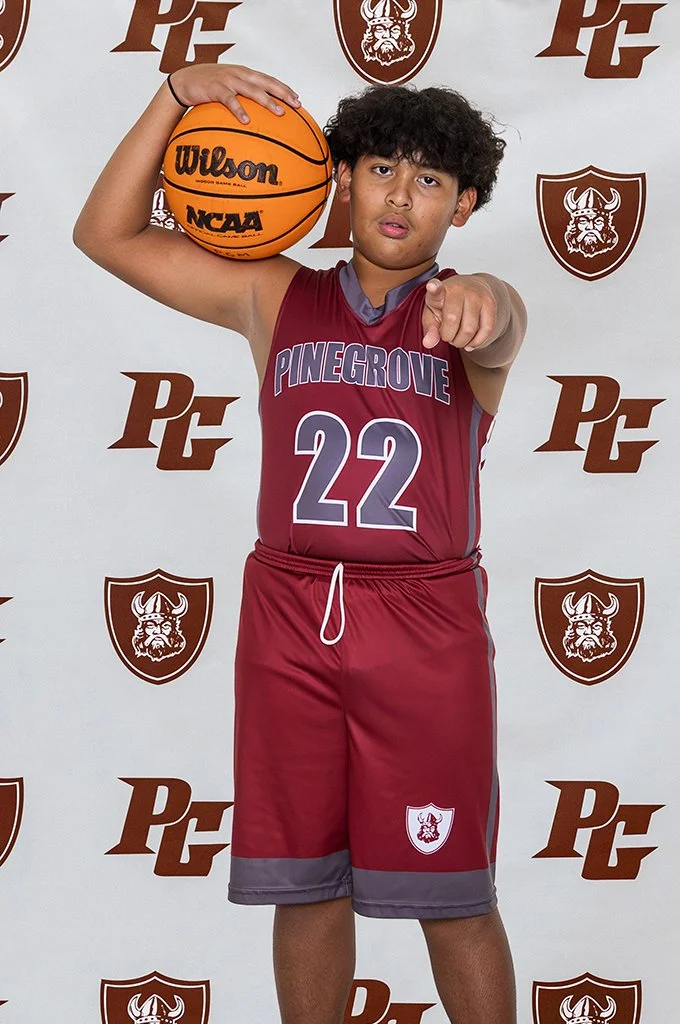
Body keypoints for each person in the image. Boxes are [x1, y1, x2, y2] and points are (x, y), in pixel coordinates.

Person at [74, 63, 527, 1024]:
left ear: (463, 205)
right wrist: (173, 95)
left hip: (424, 622)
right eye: (381, 169)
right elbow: (106, 235)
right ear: (341, 179)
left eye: (430, 179)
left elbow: (499, 326)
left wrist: (488, 301)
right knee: (305, 883)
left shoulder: (467, 311)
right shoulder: (273, 295)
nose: (400, 196)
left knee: (452, 895)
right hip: (290, 612)